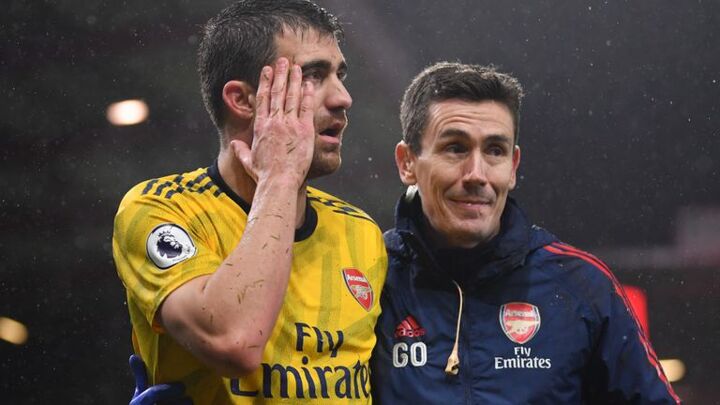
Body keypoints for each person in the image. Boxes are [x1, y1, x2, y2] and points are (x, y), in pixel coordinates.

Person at [112, 0, 387, 403]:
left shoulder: (362, 231)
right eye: (313, 75)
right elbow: (235, 342)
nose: (343, 98)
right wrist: (280, 177)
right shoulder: (160, 209)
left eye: (340, 75)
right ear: (242, 100)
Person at [369, 61, 681, 404]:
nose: (477, 174)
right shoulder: (370, 279)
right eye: (455, 148)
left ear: (513, 166)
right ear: (407, 162)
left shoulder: (582, 287)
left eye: (495, 151)